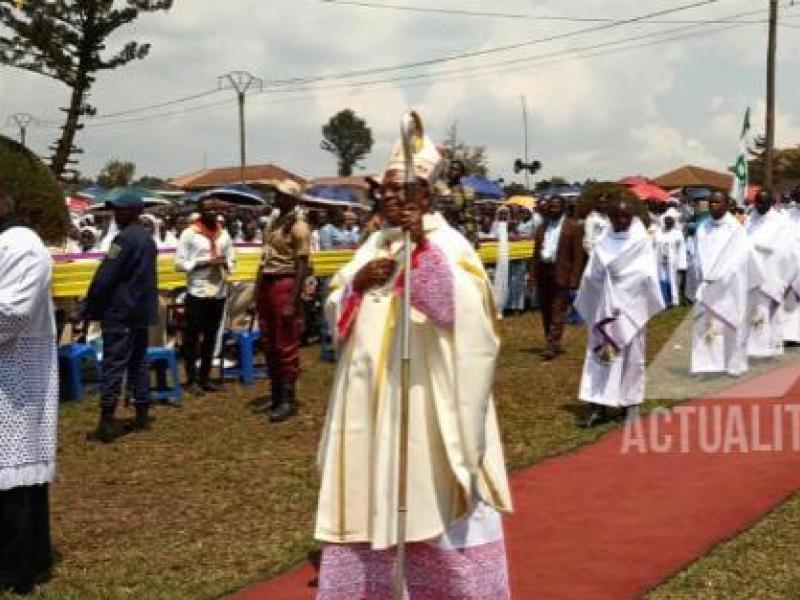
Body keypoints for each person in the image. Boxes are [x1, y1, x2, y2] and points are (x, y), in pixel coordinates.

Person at [315, 118, 512, 599]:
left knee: (430, 498)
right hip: (369, 409)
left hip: (427, 404)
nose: (388, 199)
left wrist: (421, 252)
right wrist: (356, 288)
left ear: (425, 197)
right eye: (383, 191)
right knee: (368, 497)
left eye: (399, 191)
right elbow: (335, 300)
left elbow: (472, 316)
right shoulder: (374, 244)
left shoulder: (449, 245)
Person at [0, 186, 58, 595]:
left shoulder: (23, 247)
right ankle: (30, 561)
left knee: (16, 477)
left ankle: (18, 569)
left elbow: (13, 312)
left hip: (18, 376)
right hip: (9, 373)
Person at [575, 196, 664, 428]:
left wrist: (623, 286)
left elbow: (646, 275)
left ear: (632, 216)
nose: (620, 220)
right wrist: (600, 285)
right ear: (610, 217)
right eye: (616, 216)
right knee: (600, 355)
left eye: (625, 216)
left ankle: (629, 404)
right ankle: (597, 405)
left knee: (632, 358)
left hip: (630, 307)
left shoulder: (641, 241)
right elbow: (591, 273)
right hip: (603, 308)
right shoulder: (603, 240)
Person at [83, 191, 158, 442]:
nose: (116, 214)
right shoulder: (148, 239)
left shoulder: (122, 240)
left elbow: (106, 275)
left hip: (120, 311)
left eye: (121, 210)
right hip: (141, 311)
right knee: (139, 361)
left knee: (114, 363)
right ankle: (142, 412)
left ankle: (106, 421)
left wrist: (89, 304)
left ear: (135, 212)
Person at [255, 180, 311, 422]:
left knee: (285, 342)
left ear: (293, 199)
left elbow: (302, 265)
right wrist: (257, 290)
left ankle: (288, 398)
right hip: (267, 282)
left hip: (285, 282)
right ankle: (276, 393)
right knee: (268, 341)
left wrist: (292, 300)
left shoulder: (299, 227)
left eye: (281, 194)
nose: (275, 198)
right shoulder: (274, 222)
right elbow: (264, 257)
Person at [690, 191, 762, 376]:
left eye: (717, 202)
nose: (713, 206)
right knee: (704, 325)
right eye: (711, 202)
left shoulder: (736, 229)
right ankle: (705, 366)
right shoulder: (702, 227)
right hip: (707, 286)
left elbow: (741, 257)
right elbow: (698, 257)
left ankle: (732, 365)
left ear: (727, 205)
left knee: (730, 325)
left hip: (729, 286)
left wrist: (723, 275)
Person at [175, 195, 236, 394]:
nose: (212, 212)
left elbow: (232, 259)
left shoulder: (223, 234)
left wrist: (225, 263)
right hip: (198, 291)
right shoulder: (189, 234)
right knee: (192, 337)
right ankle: (191, 378)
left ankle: (205, 377)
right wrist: (203, 263)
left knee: (211, 335)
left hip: (218, 290)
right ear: (200, 211)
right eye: (207, 209)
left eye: (215, 209)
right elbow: (179, 264)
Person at [531, 195, 585, 361]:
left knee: (557, 309)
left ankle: (551, 344)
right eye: (550, 207)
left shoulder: (573, 227)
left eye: (555, 207)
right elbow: (535, 254)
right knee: (546, 310)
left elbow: (578, 256)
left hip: (561, 272)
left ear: (563, 208)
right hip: (543, 272)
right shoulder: (541, 227)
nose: (552, 209)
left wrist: (575, 279)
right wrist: (532, 275)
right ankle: (551, 339)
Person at [745, 189, 796, 358]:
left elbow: (787, 250)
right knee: (755, 310)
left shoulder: (780, 222)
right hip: (752, 272)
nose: (758, 206)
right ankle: (755, 347)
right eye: (756, 202)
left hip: (771, 272)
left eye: (762, 202)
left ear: (771, 203)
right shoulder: (750, 219)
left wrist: (784, 278)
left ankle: (771, 346)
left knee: (770, 312)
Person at [654, 215, 687, 307]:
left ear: (673, 223)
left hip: (673, 261)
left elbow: (682, 249)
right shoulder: (659, 232)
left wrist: (682, 264)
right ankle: (664, 299)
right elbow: (654, 245)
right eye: (666, 222)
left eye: (670, 222)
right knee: (662, 278)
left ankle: (673, 300)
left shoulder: (678, 233)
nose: (668, 224)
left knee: (672, 279)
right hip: (660, 260)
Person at [446, 158, 479, 246]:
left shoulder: (466, 192)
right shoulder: (439, 187)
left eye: (455, 169)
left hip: (456, 233)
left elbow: (470, 218)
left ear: (461, 173)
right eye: (451, 168)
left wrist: (472, 238)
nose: (452, 171)